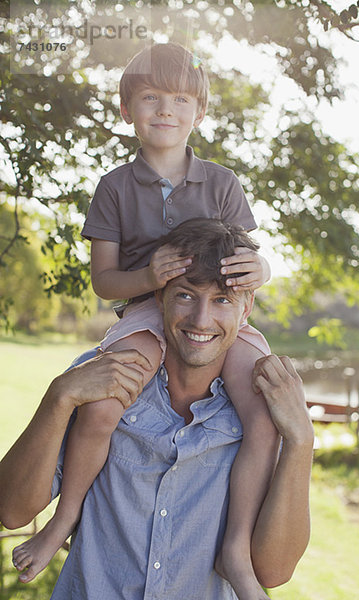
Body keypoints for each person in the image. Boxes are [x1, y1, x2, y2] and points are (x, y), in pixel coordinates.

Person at [10, 42, 274, 599]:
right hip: (147, 313)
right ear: (127, 109)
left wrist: (263, 266)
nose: (165, 109)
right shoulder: (114, 187)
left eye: (180, 99)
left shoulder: (222, 183)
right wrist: (149, 275)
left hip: (217, 309)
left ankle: (235, 546)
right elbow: (105, 281)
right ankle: (67, 516)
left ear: (199, 113)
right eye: (150, 97)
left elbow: (248, 258)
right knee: (104, 405)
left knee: (264, 412)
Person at [1, 219, 314, 600]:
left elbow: (274, 570)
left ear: (246, 307)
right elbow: (12, 511)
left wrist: (301, 440)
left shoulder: (263, 411)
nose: (201, 320)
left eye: (222, 300)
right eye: (185, 295)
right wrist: (58, 398)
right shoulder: (103, 380)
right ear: (159, 297)